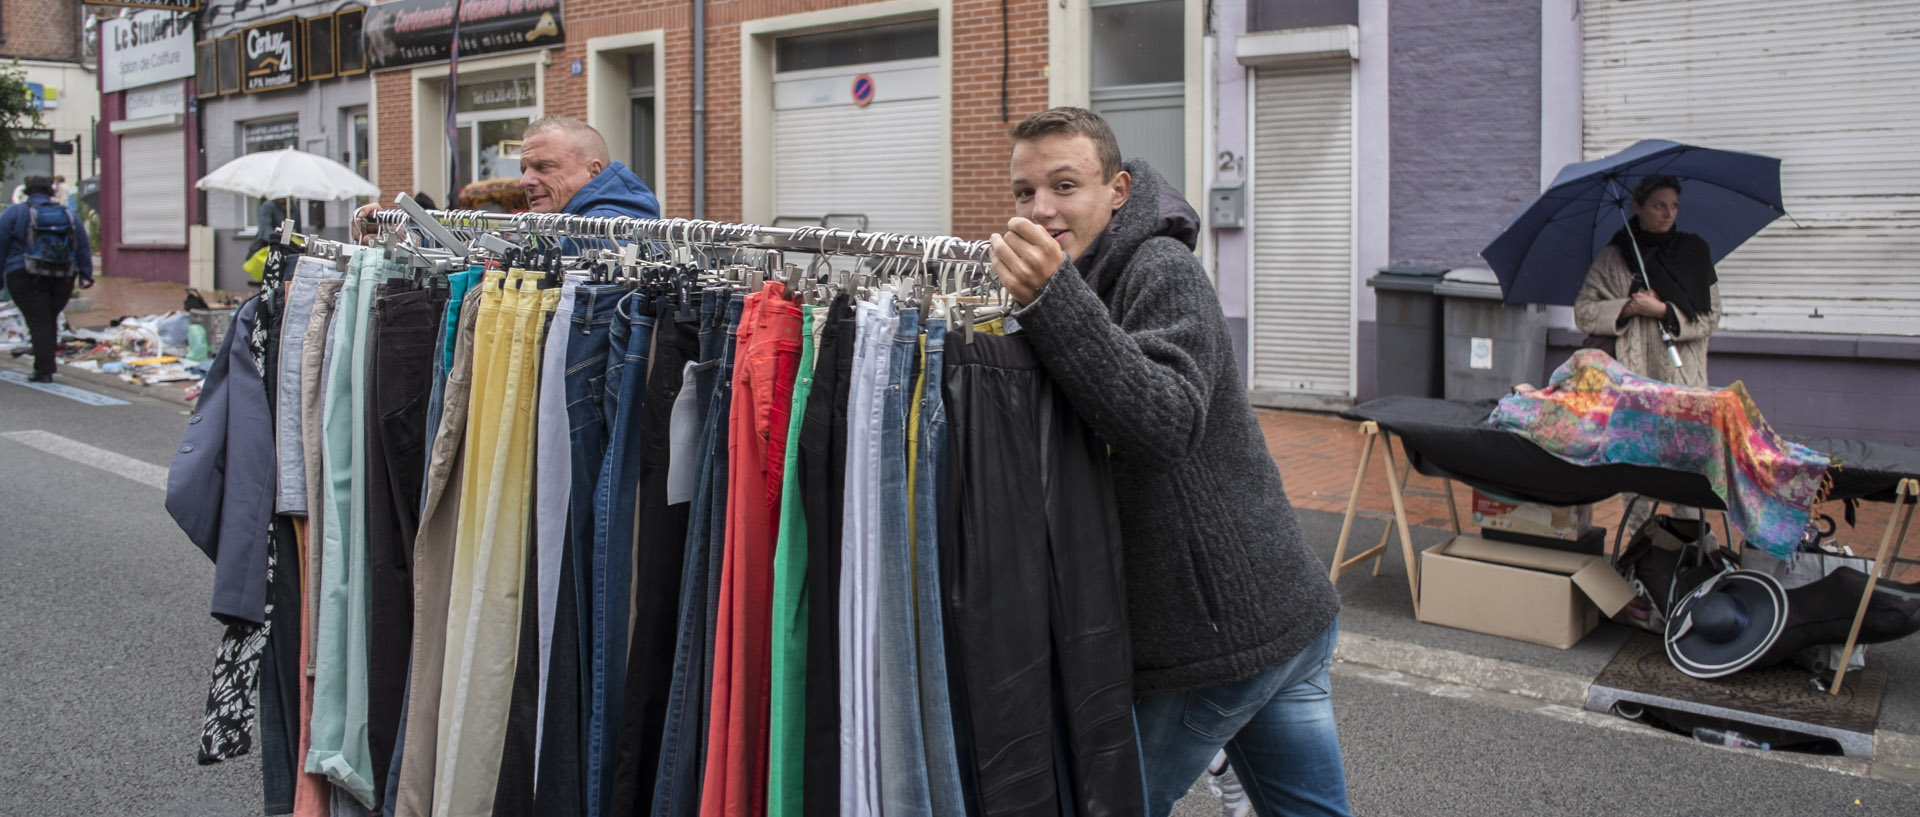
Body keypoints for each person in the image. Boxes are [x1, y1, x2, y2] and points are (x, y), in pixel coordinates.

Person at [989, 107, 1350, 816]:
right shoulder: (1080, 279)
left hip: (1213, 644)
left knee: (1099, 805)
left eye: (1065, 185)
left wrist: (1053, 300)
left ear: (1118, 189)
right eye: (1024, 193)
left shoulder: (1161, 268)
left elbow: (1164, 424)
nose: (1043, 209)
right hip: (1274, 619)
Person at [354, 116, 658, 240]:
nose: (526, 181)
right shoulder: (558, 224)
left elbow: (504, 249)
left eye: (543, 167)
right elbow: (498, 243)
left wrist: (415, 236)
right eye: (524, 169)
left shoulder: (609, 231)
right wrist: (406, 234)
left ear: (593, 171)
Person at [1573, 174, 1720, 388]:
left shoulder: (1694, 253)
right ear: (1637, 207)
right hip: (1628, 379)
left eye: (1674, 205)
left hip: (1681, 378)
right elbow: (1583, 313)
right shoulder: (1613, 257)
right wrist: (1628, 308)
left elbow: (1711, 316)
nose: (1669, 214)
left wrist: (1663, 311)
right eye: (1659, 206)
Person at [1, 175, 94, 382]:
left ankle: (44, 370)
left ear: (27, 191)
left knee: (37, 319)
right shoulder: (68, 214)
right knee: (49, 317)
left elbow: (1, 244)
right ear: (51, 192)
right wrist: (86, 274)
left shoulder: (15, 213)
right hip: (63, 275)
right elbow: (83, 244)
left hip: (25, 274)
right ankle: (46, 362)